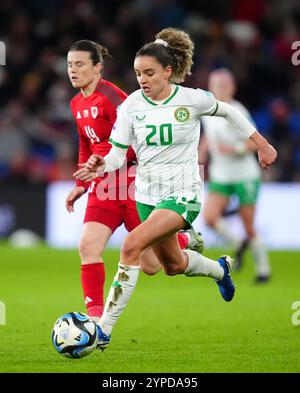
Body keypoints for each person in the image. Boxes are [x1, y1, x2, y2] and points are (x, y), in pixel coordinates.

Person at [74, 28, 277, 350]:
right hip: (147, 196)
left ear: (168, 72)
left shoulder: (191, 99)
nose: (143, 79)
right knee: (167, 267)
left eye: (150, 73)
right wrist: (100, 165)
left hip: (182, 193)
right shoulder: (131, 107)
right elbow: (116, 154)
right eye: (139, 73)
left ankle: (103, 329)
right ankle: (219, 269)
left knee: (131, 246)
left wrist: (262, 145)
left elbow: (228, 111)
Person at [66, 40, 203, 321]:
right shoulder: (76, 103)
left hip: (130, 183)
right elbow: (85, 141)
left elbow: (135, 140)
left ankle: (182, 239)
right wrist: (82, 182)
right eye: (70, 65)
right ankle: (93, 319)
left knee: (153, 265)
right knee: (88, 246)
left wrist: (105, 162)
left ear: (98, 68)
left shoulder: (114, 99)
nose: (73, 70)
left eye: (80, 64)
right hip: (103, 186)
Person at [200, 69, 271, 282]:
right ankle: (238, 245)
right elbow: (210, 136)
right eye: (216, 85)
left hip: (245, 175)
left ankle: (263, 271)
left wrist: (235, 149)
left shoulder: (237, 111)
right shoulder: (208, 110)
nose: (220, 89)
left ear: (232, 87)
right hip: (221, 175)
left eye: (224, 85)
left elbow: (255, 142)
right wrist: (203, 149)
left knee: (248, 225)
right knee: (209, 218)